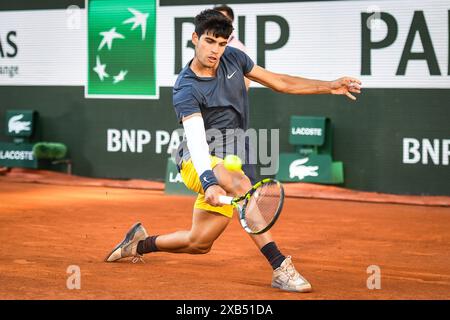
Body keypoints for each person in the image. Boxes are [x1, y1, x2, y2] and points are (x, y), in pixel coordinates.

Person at [105, 9, 361, 293]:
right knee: (240, 184)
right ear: (195, 38)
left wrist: (329, 86)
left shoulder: (235, 60)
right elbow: (197, 139)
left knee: (199, 242)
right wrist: (208, 180)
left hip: (232, 156)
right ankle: (280, 267)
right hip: (196, 160)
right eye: (210, 41)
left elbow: (281, 82)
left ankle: (138, 243)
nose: (215, 50)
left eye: (222, 43)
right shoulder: (185, 88)